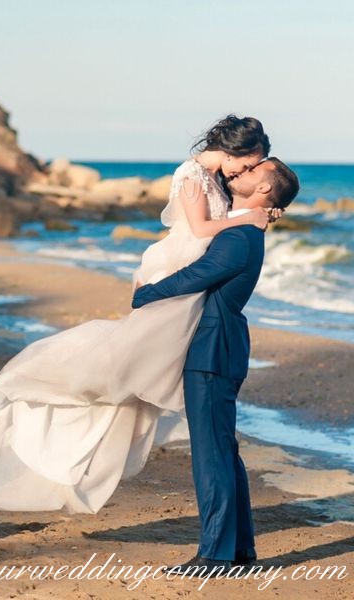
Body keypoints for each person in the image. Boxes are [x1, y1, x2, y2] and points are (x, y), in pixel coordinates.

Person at [0, 115, 275, 515]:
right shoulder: (191, 173)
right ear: (234, 149)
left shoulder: (218, 179)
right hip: (176, 263)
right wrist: (246, 217)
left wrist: (258, 211)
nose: (247, 171)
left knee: (145, 374)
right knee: (128, 365)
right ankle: (55, 399)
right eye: (249, 162)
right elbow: (201, 229)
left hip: (195, 276)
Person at [132, 157, 300, 576]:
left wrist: (146, 293)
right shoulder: (244, 224)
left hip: (213, 349)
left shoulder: (241, 235)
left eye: (253, 171)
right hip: (220, 346)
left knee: (211, 455)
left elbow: (199, 274)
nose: (241, 173)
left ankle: (216, 555)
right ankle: (239, 549)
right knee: (222, 449)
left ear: (265, 189)